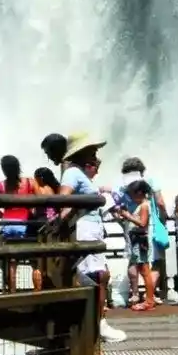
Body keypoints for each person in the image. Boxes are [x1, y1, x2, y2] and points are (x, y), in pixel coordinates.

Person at [57, 135, 126, 343]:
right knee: (97, 276)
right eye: (92, 152)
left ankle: (98, 322)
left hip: (92, 229)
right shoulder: (72, 173)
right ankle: (97, 325)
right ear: (82, 153)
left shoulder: (81, 175)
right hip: (84, 230)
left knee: (100, 276)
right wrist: (63, 219)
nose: (96, 157)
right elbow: (64, 198)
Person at [110, 157, 168, 306]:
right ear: (141, 170)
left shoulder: (122, 185)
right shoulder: (150, 182)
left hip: (130, 226)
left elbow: (116, 206)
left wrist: (123, 218)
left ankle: (135, 294)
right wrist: (163, 219)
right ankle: (150, 294)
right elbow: (160, 203)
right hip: (149, 225)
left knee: (133, 259)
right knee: (153, 262)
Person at [0, 155, 36, 292]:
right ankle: (38, 291)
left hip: (7, 224)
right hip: (24, 224)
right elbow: (36, 205)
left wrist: (3, 216)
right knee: (35, 261)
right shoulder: (29, 183)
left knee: (11, 263)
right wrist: (30, 215)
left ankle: (12, 292)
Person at [120, 179, 161, 311]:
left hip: (140, 241)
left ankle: (149, 300)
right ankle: (149, 299)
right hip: (137, 241)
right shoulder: (142, 205)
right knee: (144, 270)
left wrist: (128, 216)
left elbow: (143, 223)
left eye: (132, 194)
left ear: (139, 193)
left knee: (145, 271)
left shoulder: (144, 205)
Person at [29, 167, 62, 292]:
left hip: (39, 224)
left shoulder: (39, 190)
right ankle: (52, 286)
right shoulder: (56, 189)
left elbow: (32, 209)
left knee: (37, 262)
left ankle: (38, 290)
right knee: (51, 259)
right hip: (53, 226)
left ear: (40, 178)